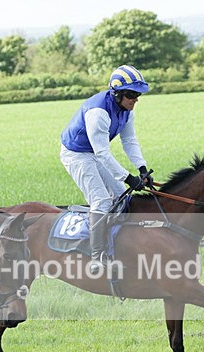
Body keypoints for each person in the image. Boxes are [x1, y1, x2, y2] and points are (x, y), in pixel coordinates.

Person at [59, 64, 154, 275]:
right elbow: (102, 153)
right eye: (131, 95)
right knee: (101, 201)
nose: (135, 100)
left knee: (121, 197)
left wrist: (141, 168)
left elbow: (129, 141)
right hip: (76, 154)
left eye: (138, 95)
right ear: (117, 93)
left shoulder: (127, 111)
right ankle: (97, 256)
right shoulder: (98, 113)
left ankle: (117, 244)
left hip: (94, 152)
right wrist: (129, 178)